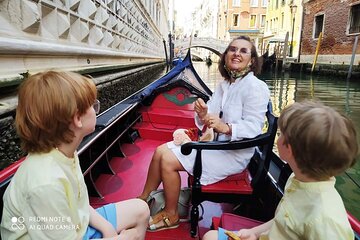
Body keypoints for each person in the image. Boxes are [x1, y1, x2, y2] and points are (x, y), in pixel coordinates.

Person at [138, 36, 270, 231]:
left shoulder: (256, 87)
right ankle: (142, 201)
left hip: (233, 154)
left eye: (243, 51)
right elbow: (209, 118)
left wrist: (227, 128)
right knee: (159, 151)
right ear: (225, 56)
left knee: (167, 160)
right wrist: (202, 114)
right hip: (218, 147)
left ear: (252, 60)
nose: (236, 53)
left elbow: (254, 127)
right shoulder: (225, 85)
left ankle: (172, 214)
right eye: (232, 49)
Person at [1, 71, 150, 239]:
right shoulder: (45, 183)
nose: (96, 109)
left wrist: (106, 227)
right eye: (93, 105)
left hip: (74, 225)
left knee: (141, 210)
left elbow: (78, 203)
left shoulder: (65, 153)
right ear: (77, 118)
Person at [203, 101, 358, 240]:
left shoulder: (325, 219)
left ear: (288, 149)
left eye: (281, 133)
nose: (278, 137)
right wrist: (254, 232)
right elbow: (283, 220)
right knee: (210, 236)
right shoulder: (297, 179)